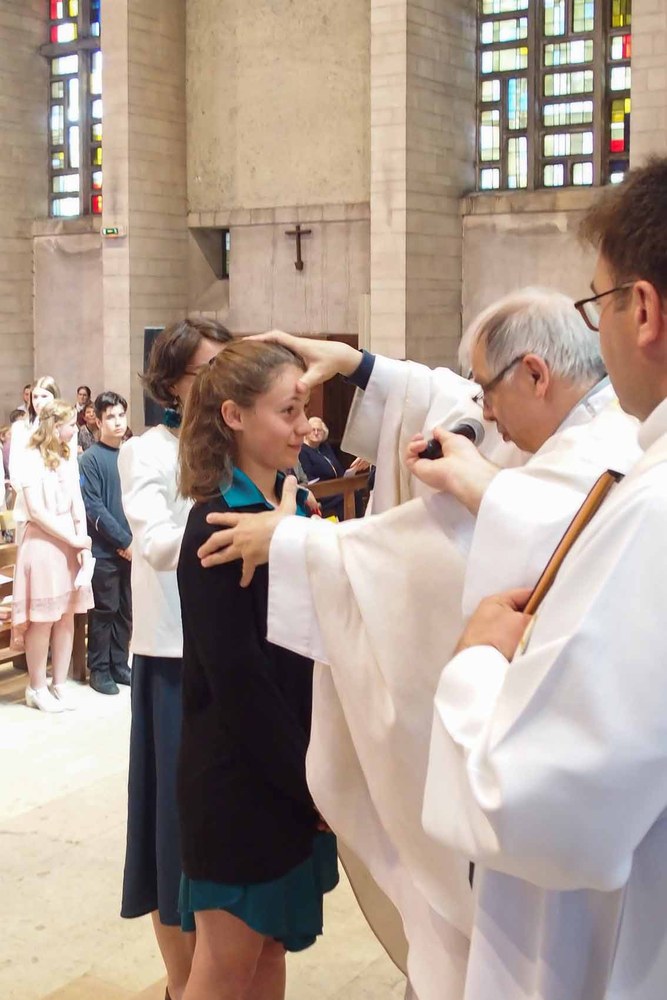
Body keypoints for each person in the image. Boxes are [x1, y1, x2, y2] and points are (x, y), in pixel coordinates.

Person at [192, 291, 641, 1000]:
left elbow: (513, 542)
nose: (481, 414)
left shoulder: (607, 450)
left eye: (488, 392)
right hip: (240, 794)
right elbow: (454, 402)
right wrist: (360, 367)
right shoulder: (577, 427)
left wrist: (303, 543)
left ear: (535, 374)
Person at [176, 340, 338, 1000]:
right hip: (241, 779)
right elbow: (238, 682)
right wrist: (309, 783)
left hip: (293, 766)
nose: (303, 426)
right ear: (234, 416)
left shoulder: (291, 509)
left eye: (303, 408)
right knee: (225, 968)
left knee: (270, 954)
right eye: (287, 411)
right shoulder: (218, 524)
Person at [118, 317, 231, 1000]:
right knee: (172, 830)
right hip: (173, 656)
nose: (220, 383)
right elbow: (154, 542)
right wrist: (229, 523)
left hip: (234, 652)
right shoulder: (147, 451)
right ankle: (182, 983)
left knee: (224, 828)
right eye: (206, 371)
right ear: (171, 382)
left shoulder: (235, 446)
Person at [11, 399, 93, 712]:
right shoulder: (30, 457)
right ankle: (36, 686)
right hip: (42, 542)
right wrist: (71, 537)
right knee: (43, 619)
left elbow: (77, 502)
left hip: (69, 543)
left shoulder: (68, 455)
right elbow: (36, 510)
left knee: (67, 615)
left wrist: (82, 542)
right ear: (55, 426)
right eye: (71, 424)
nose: (75, 429)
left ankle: (59, 683)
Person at [79, 391, 133, 696]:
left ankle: (119, 663)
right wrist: (123, 541)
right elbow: (94, 507)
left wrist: (134, 541)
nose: (117, 422)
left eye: (121, 415)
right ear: (98, 422)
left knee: (125, 609)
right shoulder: (90, 460)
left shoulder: (130, 455)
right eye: (110, 417)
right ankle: (98, 669)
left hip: (132, 548)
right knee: (105, 610)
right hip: (104, 548)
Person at [298, 416, 345, 518]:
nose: (316, 433)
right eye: (313, 430)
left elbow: (338, 468)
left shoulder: (325, 447)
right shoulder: (303, 451)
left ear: (324, 433)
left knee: (354, 491)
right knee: (345, 496)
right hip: (319, 492)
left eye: (319, 430)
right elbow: (308, 478)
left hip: (335, 488)